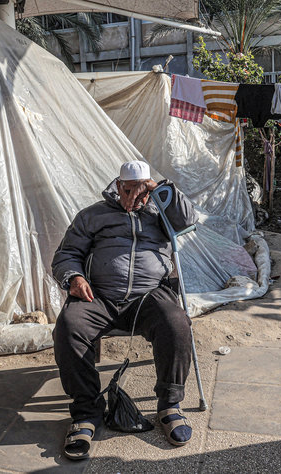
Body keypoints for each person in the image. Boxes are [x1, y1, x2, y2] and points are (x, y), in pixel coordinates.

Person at [51, 161, 198, 460]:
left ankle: (169, 405)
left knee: (176, 322)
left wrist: (158, 189)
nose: (136, 199)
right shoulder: (93, 215)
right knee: (70, 325)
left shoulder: (159, 214)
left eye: (142, 192)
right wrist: (74, 278)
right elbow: (67, 253)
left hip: (148, 297)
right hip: (100, 297)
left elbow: (187, 220)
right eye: (129, 190)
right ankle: (86, 412)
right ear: (118, 186)